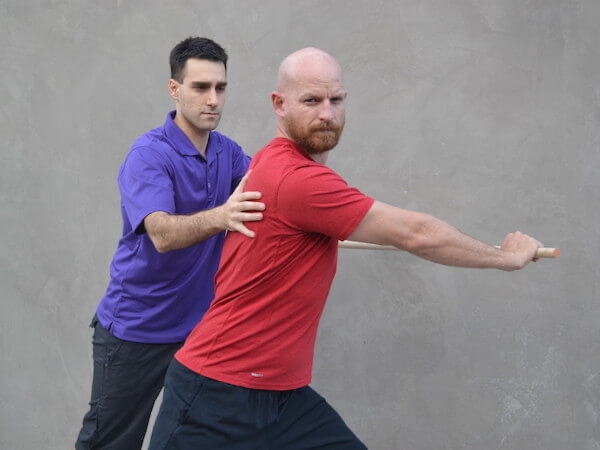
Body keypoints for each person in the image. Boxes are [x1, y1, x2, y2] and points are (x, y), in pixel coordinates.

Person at [148, 47, 543, 450]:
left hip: (283, 398)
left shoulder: (278, 164)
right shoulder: (297, 178)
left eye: (335, 100)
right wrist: (506, 257)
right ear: (279, 104)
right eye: (311, 101)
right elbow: (416, 232)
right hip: (214, 394)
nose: (327, 114)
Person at [74, 37, 265, 450]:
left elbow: (274, 193)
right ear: (175, 89)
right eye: (200, 87)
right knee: (109, 444)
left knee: (197, 440)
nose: (213, 99)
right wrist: (223, 216)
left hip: (198, 333)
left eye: (221, 87)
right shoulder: (149, 155)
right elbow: (161, 234)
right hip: (135, 333)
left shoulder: (226, 152)